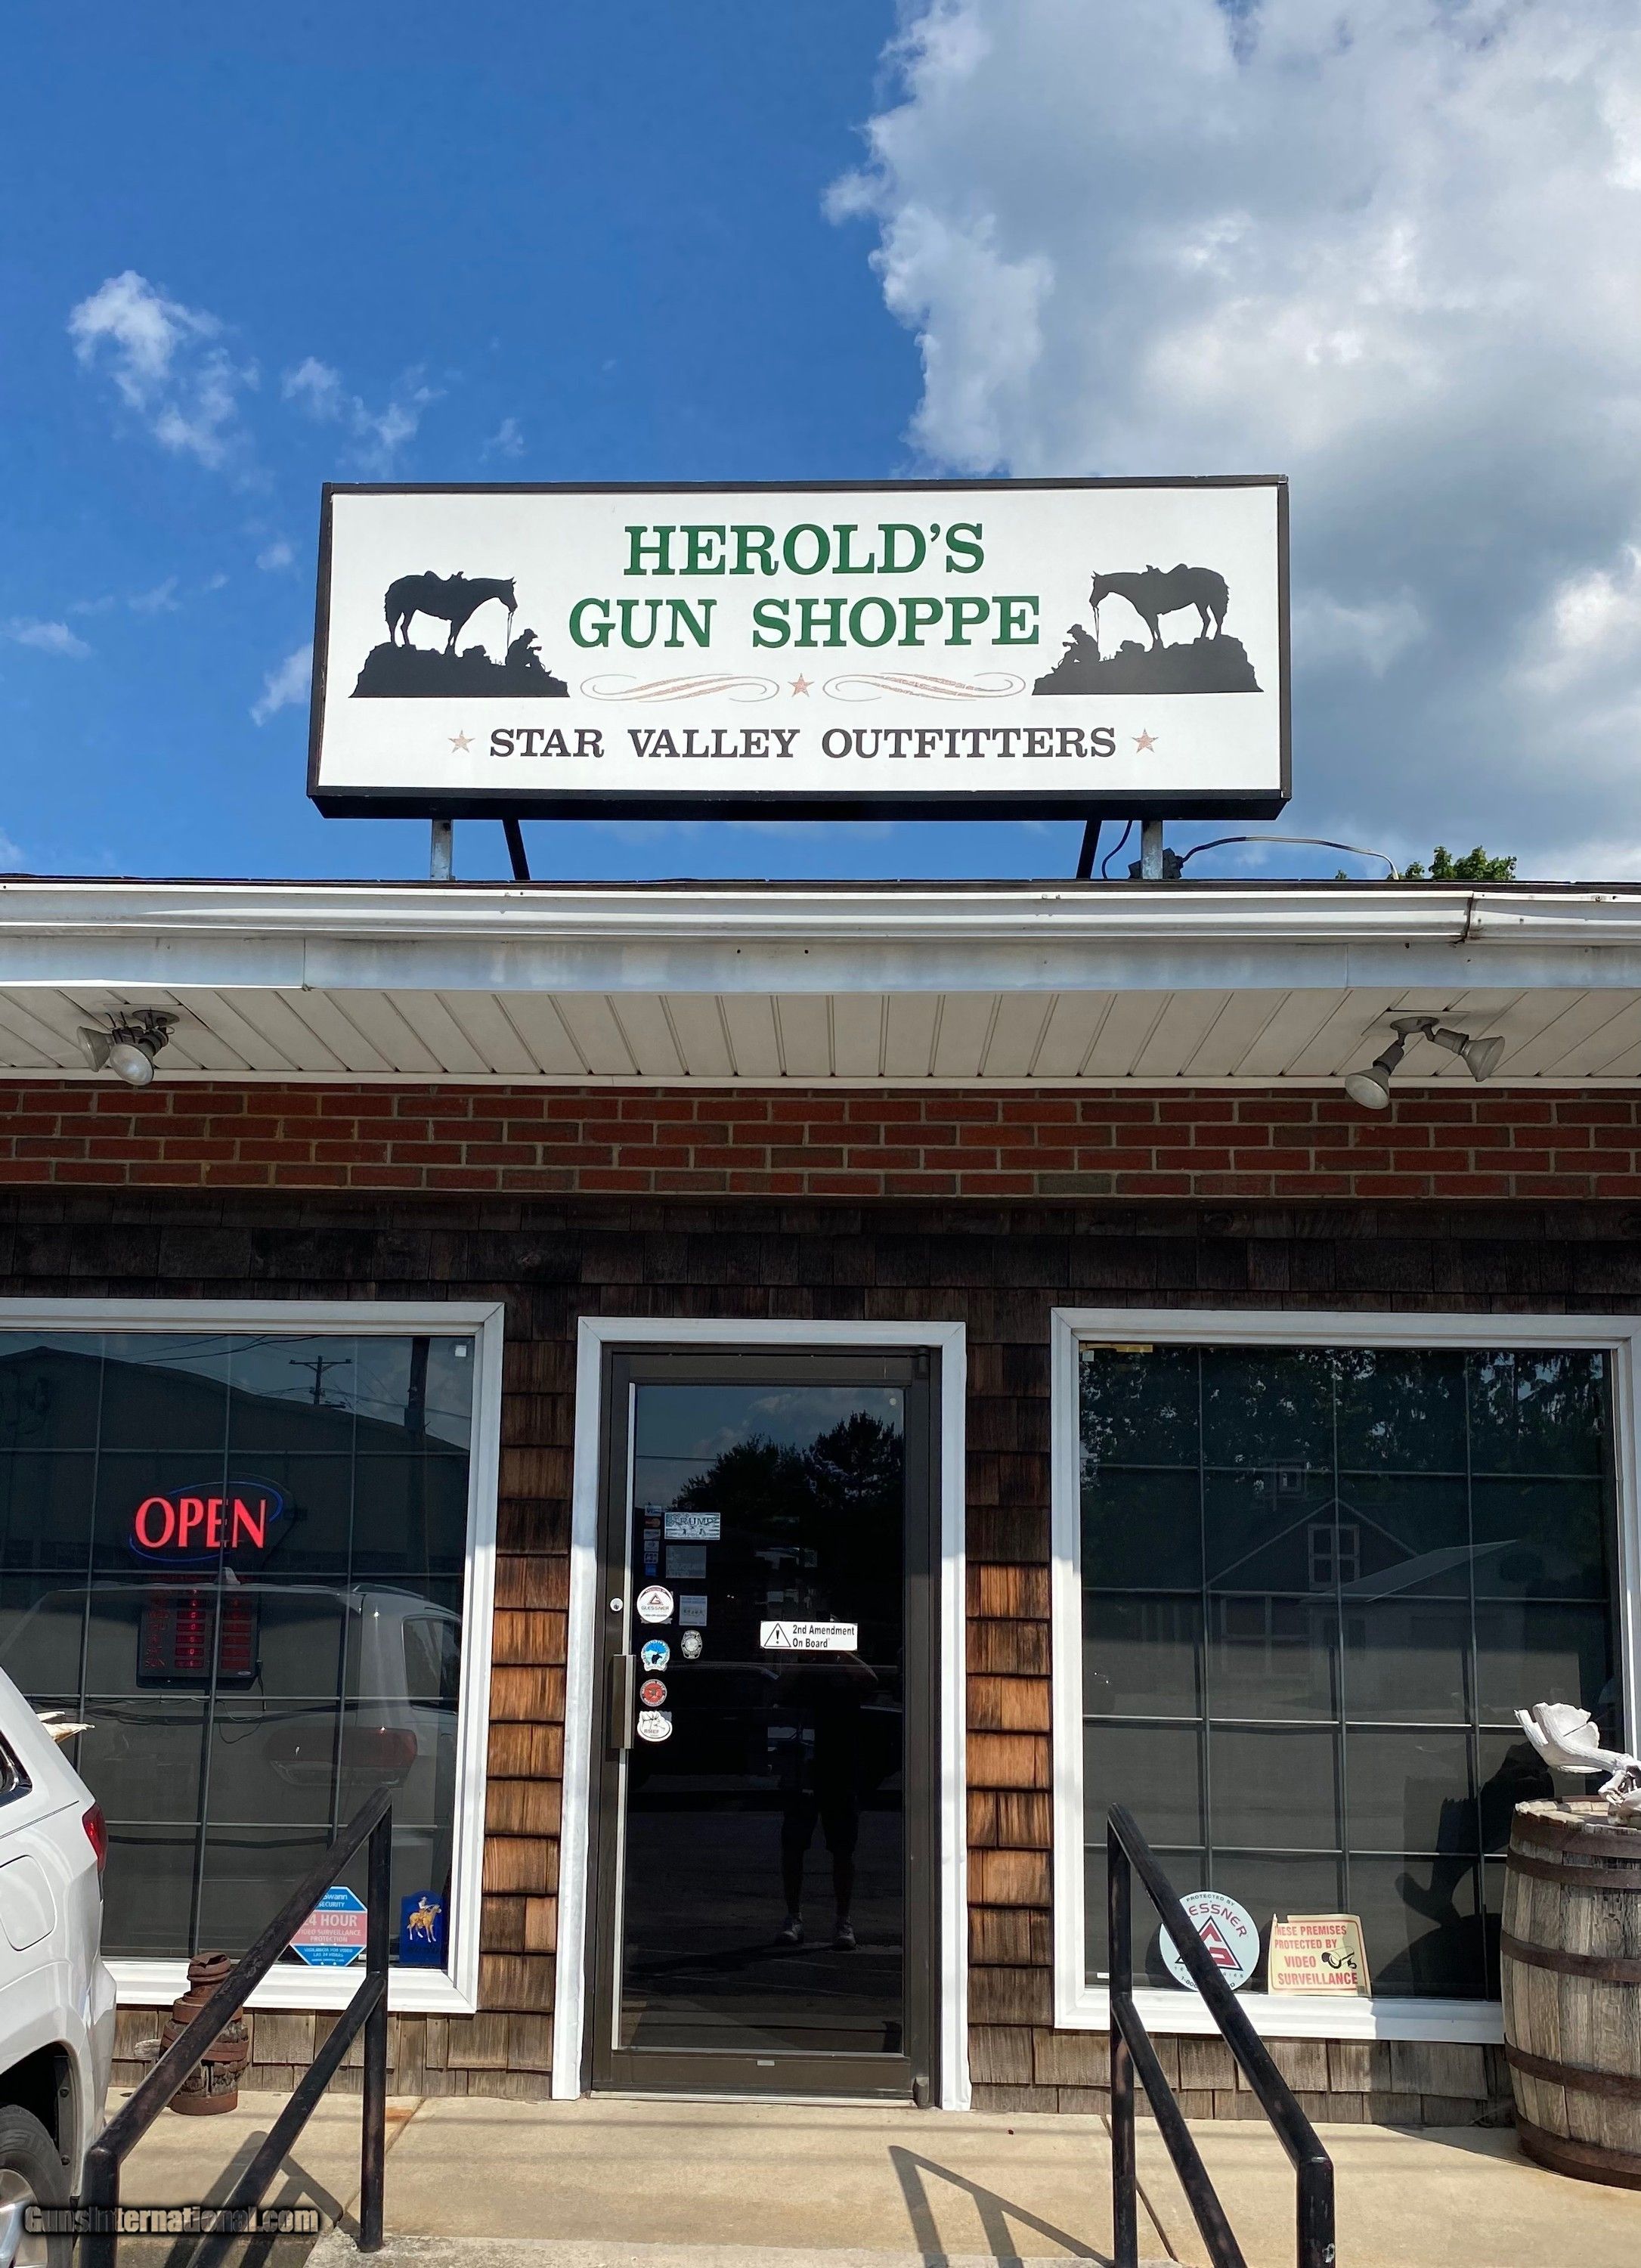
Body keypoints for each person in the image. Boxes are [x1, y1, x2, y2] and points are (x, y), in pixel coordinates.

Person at [773, 1652, 878, 1952]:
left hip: (840, 1769)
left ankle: (843, 1920)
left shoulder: (845, 1670)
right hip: (803, 1769)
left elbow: (871, 1680)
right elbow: (778, 1690)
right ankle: (794, 1917)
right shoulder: (804, 1672)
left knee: (843, 1849)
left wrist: (840, 1652)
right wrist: (805, 1658)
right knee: (794, 1846)